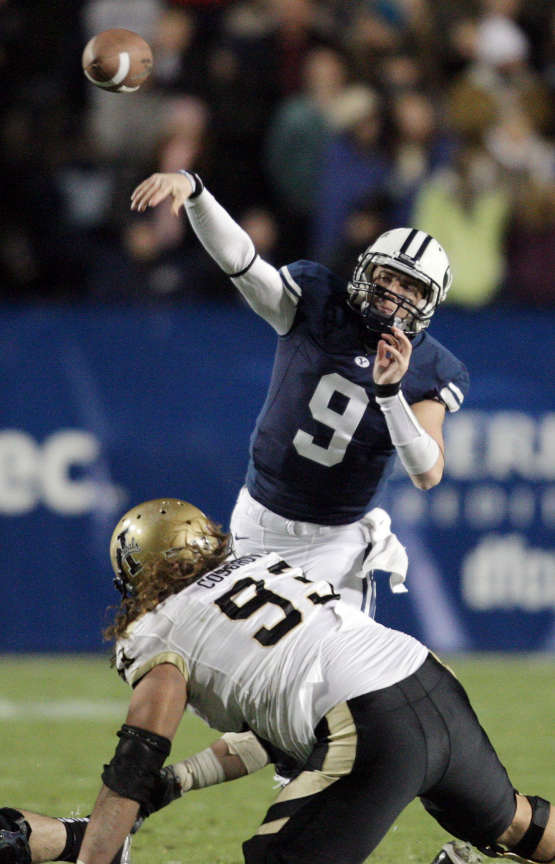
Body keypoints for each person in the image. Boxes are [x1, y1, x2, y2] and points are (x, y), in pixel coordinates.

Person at [1, 498, 552, 864]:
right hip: (427, 680)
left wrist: (100, 849)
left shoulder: (158, 628)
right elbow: (281, 718)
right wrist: (182, 781)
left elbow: (136, 757)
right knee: (517, 824)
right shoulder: (261, 566)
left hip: (369, 722)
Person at [129, 170, 469, 615]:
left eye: (411, 287)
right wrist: (196, 193)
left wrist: (390, 394)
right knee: (247, 671)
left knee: (336, 678)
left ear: (429, 302)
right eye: (388, 277)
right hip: (260, 521)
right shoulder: (317, 303)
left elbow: (428, 472)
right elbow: (243, 264)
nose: (393, 294)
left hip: (338, 543)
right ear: (367, 270)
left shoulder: (432, 367)